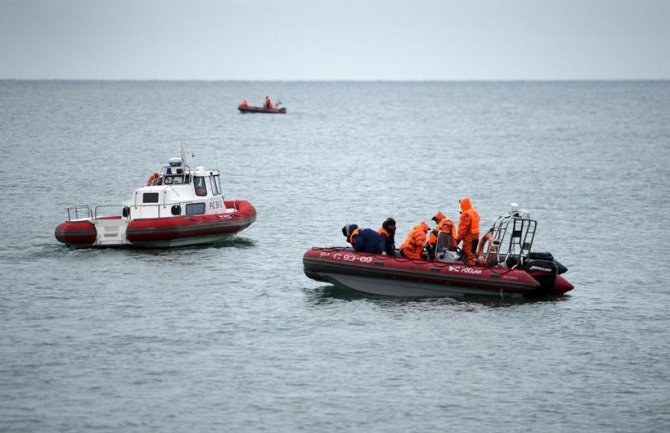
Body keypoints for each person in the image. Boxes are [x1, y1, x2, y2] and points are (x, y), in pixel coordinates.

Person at [456, 197, 480, 265]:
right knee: (472, 253)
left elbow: (462, 230)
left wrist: (457, 240)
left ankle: (471, 270)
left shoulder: (466, 215)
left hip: (468, 239)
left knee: (469, 257)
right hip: (475, 237)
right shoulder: (474, 212)